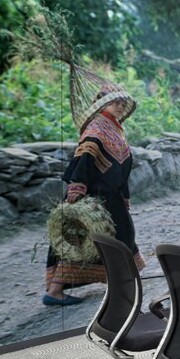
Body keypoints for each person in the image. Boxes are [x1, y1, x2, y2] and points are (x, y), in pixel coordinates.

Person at [43, 84, 144, 305]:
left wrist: (123, 194)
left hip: (111, 195)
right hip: (94, 196)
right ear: (102, 104)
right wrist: (77, 187)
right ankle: (55, 291)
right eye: (115, 102)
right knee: (78, 240)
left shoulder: (113, 128)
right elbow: (84, 159)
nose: (120, 106)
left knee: (120, 234)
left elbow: (122, 165)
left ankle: (117, 281)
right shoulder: (96, 129)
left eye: (122, 103)